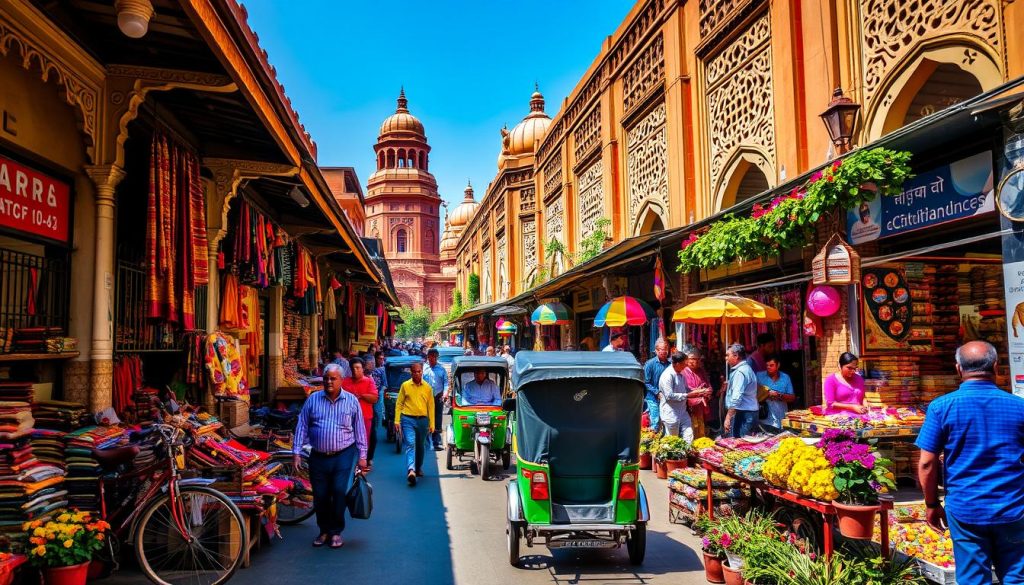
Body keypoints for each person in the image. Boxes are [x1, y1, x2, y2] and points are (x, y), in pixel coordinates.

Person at [916, 341, 1024, 585]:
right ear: (996, 366)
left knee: (973, 579)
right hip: (1012, 506)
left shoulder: (942, 407)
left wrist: (932, 504)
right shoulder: (1019, 407)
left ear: (958, 368)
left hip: (966, 508)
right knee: (1017, 577)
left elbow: (926, 464)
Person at [293, 363, 367, 549]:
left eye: (333, 378)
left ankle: (335, 531)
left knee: (339, 491)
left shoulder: (351, 401)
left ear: (342, 380)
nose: (328, 382)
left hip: (343, 454)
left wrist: (363, 456)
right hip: (317, 455)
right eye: (326, 378)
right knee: (320, 495)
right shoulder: (313, 399)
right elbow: (302, 425)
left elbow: (360, 430)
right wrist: (296, 451)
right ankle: (323, 530)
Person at [394, 362, 434, 486]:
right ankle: (411, 470)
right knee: (410, 444)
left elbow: (431, 407)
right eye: (414, 371)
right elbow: (399, 403)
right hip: (407, 419)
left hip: (422, 420)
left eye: (419, 371)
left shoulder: (427, 387)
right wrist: (396, 420)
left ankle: (418, 467)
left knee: (421, 446)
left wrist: (432, 423)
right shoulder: (405, 386)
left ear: (422, 372)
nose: (417, 373)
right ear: (411, 372)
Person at [724, 343, 758, 438]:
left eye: (727, 355)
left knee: (741, 446)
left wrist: (728, 417)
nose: (726, 358)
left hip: (743, 414)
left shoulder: (740, 372)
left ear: (736, 356)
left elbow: (736, 398)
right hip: (748, 412)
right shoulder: (746, 369)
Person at [658, 351, 693, 441]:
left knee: (689, 435)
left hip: (682, 411)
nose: (686, 366)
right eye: (684, 364)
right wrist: (687, 395)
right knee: (672, 440)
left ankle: (687, 454)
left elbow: (686, 389)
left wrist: (699, 392)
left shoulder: (681, 374)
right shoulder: (667, 375)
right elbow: (669, 396)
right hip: (671, 413)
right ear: (677, 364)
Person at [681, 346, 713, 439]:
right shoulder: (683, 371)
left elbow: (708, 385)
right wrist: (700, 391)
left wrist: (708, 391)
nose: (696, 361)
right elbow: (686, 390)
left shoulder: (701, 371)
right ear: (686, 359)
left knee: (701, 428)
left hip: (700, 406)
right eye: (693, 359)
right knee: (690, 429)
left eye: (698, 359)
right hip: (688, 407)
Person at [756, 355, 795, 429]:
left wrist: (779, 395)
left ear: (778, 365)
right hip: (765, 419)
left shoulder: (785, 377)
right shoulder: (759, 376)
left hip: (781, 418)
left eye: (771, 365)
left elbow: (792, 397)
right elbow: (752, 393)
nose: (768, 367)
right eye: (767, 365)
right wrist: (766, 393)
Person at [643, 339, 671, 430]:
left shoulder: (670, 365)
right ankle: (652, 440)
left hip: (666, 396)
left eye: (665, 349)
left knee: (666, 419)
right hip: (652, 396)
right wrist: (657, 392)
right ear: (656, 350)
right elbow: (646, 382)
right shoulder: (650, 364)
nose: (663, 351)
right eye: (661, 349)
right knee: (655, 418)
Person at [423, 349, 448, 451]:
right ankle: (425, 441)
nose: (432, 358)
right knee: (425, 418)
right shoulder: (424, 368)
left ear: (437, 358)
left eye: (434, 356)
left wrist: (445, 393)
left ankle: (436, 442)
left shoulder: (441, 369)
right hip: (425, 397)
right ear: (427, 357)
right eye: (430, 356)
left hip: (438, 397)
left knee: (437, 419)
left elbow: (446, 383)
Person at [364, 356, 385, 468]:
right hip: (362, 412)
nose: (372, 365)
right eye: (370, 363)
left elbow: (383, 385)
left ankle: (369, 457)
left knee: (373, 436)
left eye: (372, 363)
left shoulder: (379, 372)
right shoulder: (360, 379)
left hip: (374, 403)